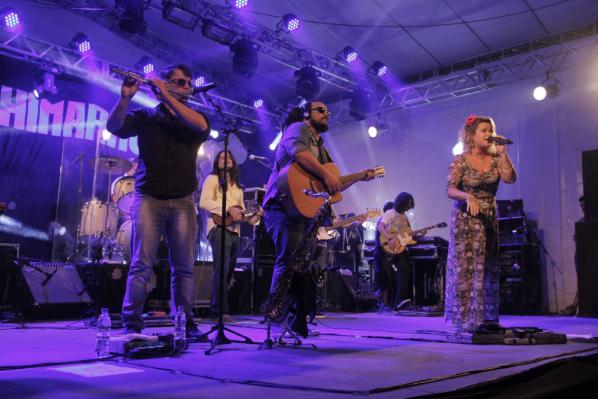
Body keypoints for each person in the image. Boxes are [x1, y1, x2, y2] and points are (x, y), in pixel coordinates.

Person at [106, 64, 210, 336]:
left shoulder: (193, 118)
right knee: (141, 264)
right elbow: (114, 125)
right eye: (178, 82)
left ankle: (184, 323)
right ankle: (131, 324)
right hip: (149, 197)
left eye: (188, 82)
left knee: (184, 268)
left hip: (184, 200)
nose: (186, 86)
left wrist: (166, 95)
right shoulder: (146, 116)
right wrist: (125, 98)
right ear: (165, 83)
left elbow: (200, 126)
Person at [262, 99, 376, 337]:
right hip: (281, 205)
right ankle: (277, 315)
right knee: (287, 260)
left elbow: (331, 185)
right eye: (321, 110)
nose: (327, 114)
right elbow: (299, 154)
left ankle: (295, 318)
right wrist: (326, 174)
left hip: (304, 211)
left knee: (301, 265)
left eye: (328, 111)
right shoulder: (298, 128)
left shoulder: (320, 146)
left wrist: (358, 177)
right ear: (307, 114)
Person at [444, 114, 516, 333]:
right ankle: (464, 318)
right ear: (471, 135)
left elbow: (510, 178)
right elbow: (450, 189)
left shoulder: (496, 158)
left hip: (487, 219)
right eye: (483, 130)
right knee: (465, 269)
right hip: (465, 220)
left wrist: (503, 154)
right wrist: (468, 196)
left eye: (490, 130)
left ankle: (485, 317)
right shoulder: (461, 160)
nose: (488, 134)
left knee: (487, 267)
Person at [199, 150, 261, 321]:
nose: (224, 159)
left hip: (235, 232)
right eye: (220, 157)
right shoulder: (212, 179)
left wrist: (255, 216)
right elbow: (204, 202)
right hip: (218, 230)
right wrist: (227, 208)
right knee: (221, 271)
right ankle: (220, 311)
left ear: (233, 162)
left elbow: (242, 215)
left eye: (228, 157)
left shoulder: (239, 188)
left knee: (228, 273)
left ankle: (216, 309)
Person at [375, 193, 415, 311]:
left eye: (410, 205)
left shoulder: (405, 217)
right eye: (407, 204)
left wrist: (416, 235)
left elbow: (406, 233)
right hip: (386, 249)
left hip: (399, 249)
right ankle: (384, 304)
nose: (408, 207)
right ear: (401, 203)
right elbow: (380, 227)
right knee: (385, 276)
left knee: (404, 270)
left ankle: (399, 301)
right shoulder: (390, 213)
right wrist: (390, 238)